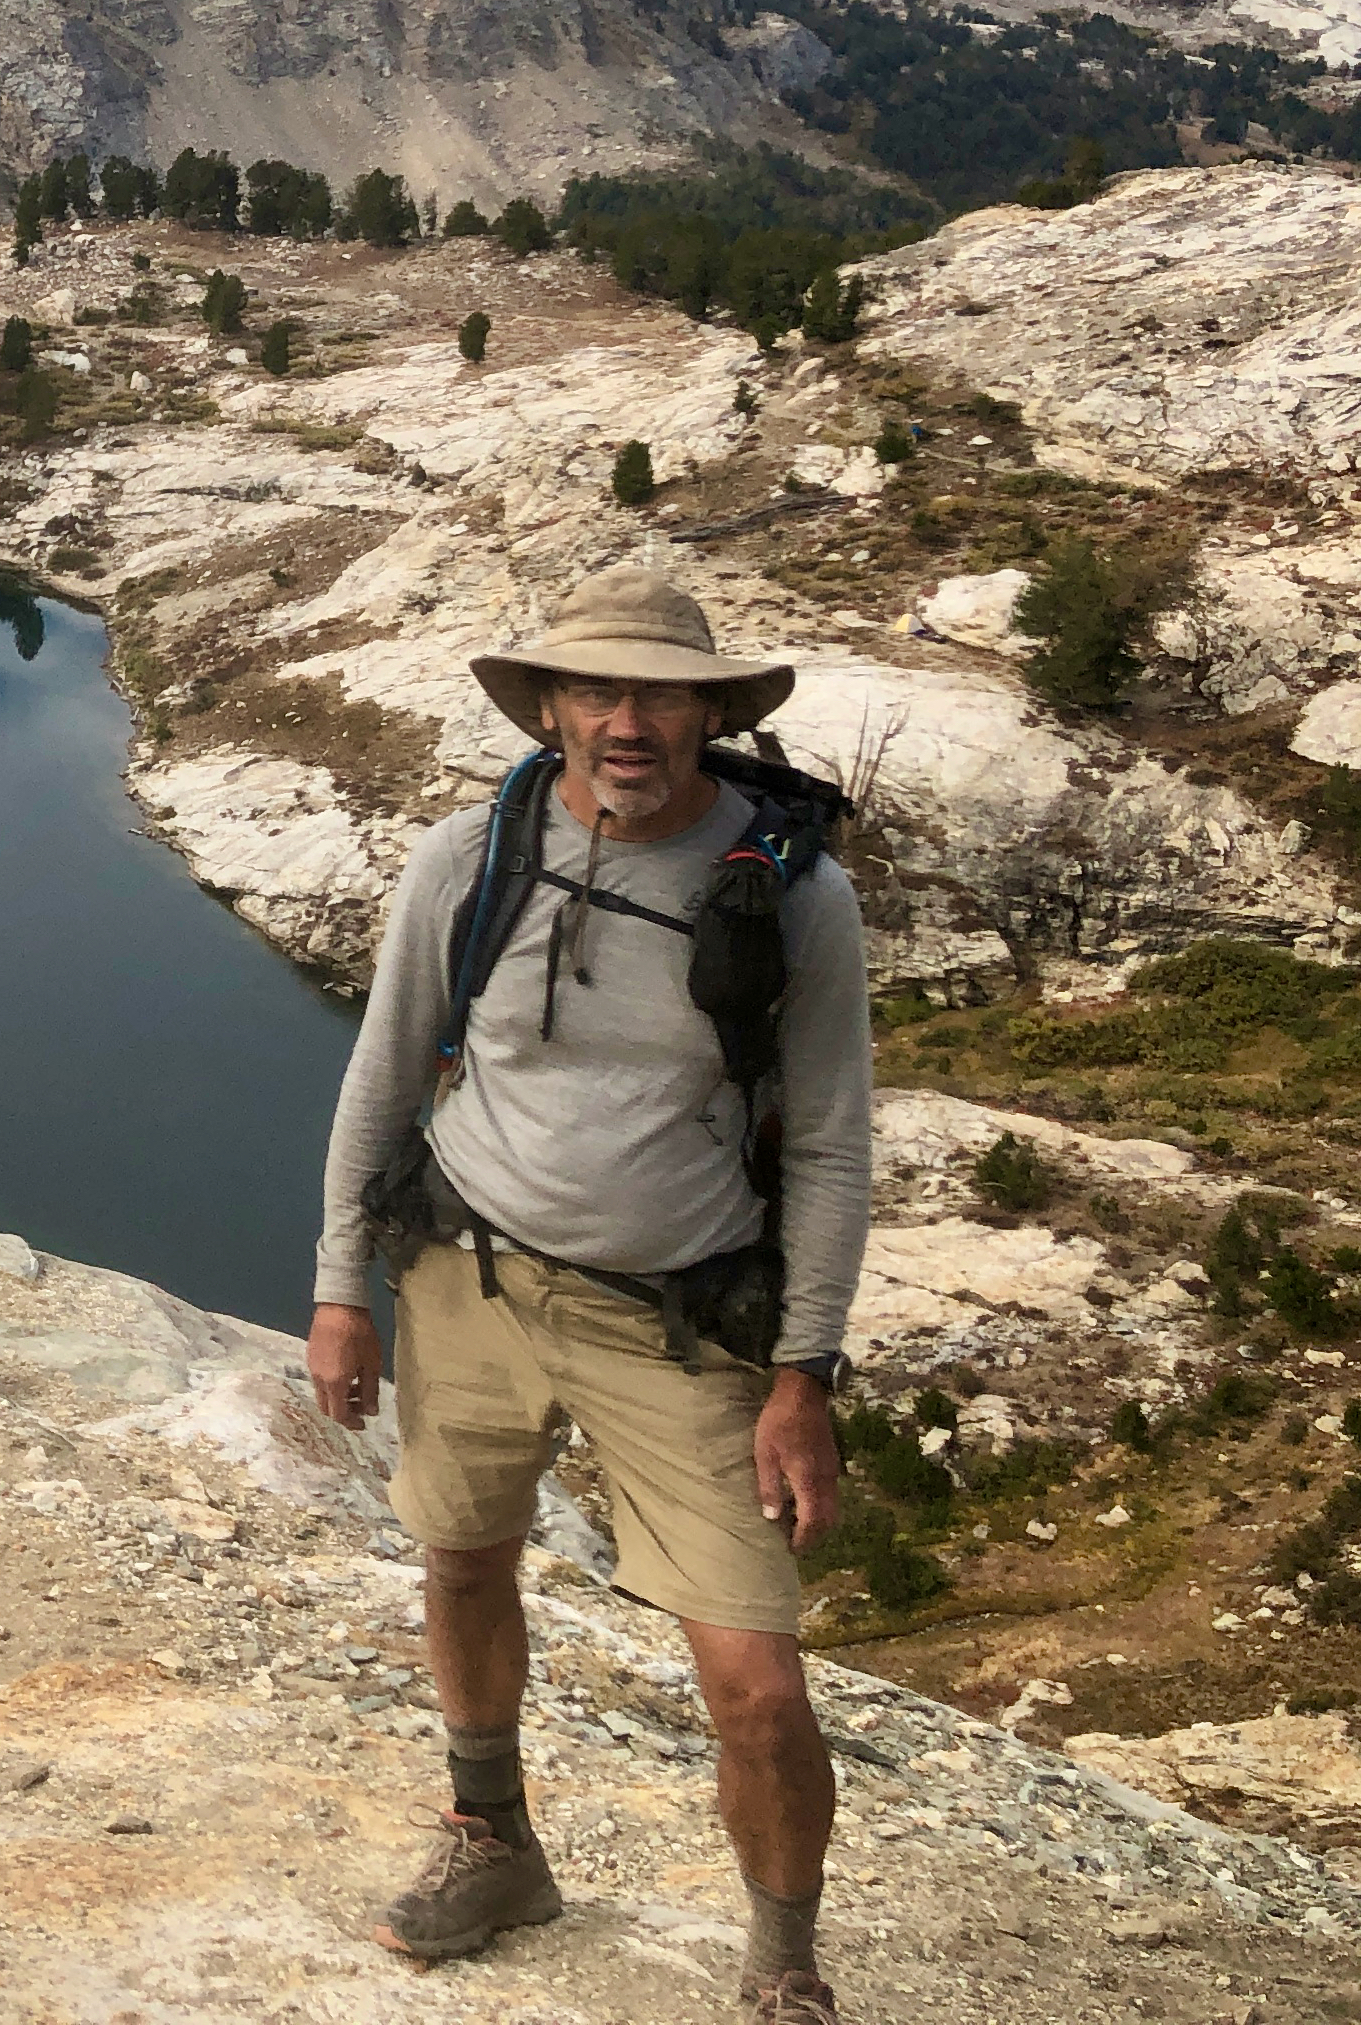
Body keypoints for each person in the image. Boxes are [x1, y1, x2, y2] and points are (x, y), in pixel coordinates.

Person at [308, 563, 870, 2023]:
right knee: (463, 1556)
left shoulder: (794, 897)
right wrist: (339, 1288)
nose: (630, 721)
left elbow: (825, 1145)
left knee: (756, 1679)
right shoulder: (470, 855)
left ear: (710, 711)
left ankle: (782, 1971)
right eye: (600, 690)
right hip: (467, 1276)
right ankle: (493, 1840)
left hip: (677, 1320)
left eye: (663, 693)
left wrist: (804, 1377)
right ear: (550, 705)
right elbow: (386, 1071)